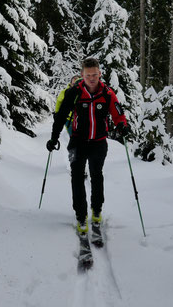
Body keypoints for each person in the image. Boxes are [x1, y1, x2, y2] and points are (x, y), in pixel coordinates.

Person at [46, 58, 129, 239]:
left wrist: (122, 125)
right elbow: (60, 117)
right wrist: (53, 138)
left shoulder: (107, 94)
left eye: (94, 74)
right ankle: (81, 215)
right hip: (77, 141)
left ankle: (96, 210)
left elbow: (118, 113)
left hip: (99, 142)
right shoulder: (74, 93)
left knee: (96, 175)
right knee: (76, 177)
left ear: (100, 74)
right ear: (82, 75)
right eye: (88, 75)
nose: (92, 78)